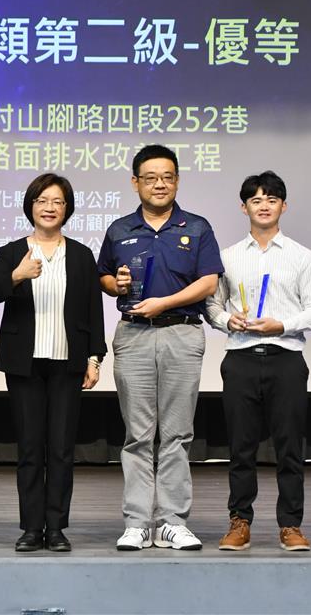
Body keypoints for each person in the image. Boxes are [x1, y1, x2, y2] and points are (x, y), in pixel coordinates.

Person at [97, 144, 223, 551]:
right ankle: (137, 521)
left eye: (167, 177)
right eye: (150, 178)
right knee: (137, 434)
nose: (159, 184)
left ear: (177, 181)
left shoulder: (197, 227)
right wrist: (115, 284)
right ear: (135, 182)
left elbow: (209, 282)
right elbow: (103, 277)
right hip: (133, 335)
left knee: (177, 433)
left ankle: (172, 521)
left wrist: (164, 303)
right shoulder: (119, 229)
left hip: (181, 333)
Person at [204, 170, 311, 552]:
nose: (264, 206)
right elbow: (211, 305)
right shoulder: (227, 257)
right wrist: (228, 320)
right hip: (240, 358)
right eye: (255, 200)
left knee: (289, 448)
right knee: (240, 448)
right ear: (244, 207)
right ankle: (239, 522)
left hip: (286, 358)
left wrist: (282, 325)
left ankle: (290, 525)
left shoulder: (302, 257)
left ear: (283, 206)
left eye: (271, 199)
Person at [0, 173, 106, 553]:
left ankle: (55, 528)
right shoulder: (12, 252)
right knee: (30, 448)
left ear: (67, 209)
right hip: (25, 364)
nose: (49, 208)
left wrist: (94, 358)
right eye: (42, 201)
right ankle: (30, 528)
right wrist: (17, 276)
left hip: (68, 364)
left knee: (61, 449)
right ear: (30, 207)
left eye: (57, 201)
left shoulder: (81, 255)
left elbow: (94, 310)